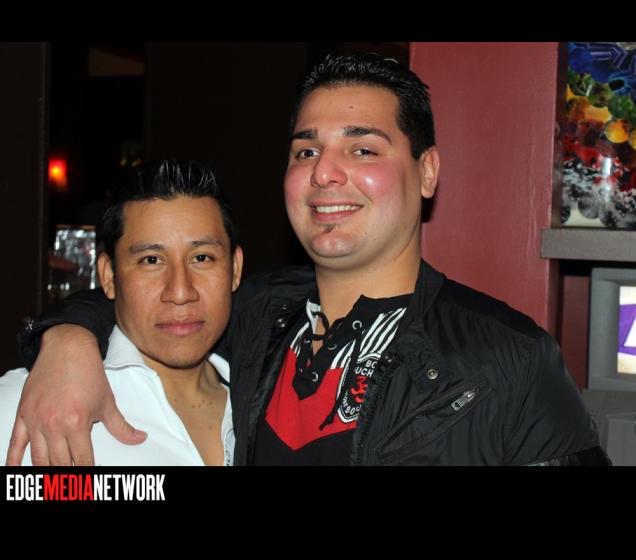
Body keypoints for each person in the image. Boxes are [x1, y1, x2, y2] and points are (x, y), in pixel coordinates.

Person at [8, 53, 610, 466]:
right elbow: (149, 300)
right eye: (306, 150)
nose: (324, 172)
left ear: (426, 171)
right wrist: (67, 342)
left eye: (362, 148)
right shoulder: (254, 315)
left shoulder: (509, 360)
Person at [1, 160, 243, 465]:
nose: (181, 292)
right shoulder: (30, 409)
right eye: (151, 260)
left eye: (202, 258)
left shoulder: (269, 397)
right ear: (108, 276)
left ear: (235, 269)